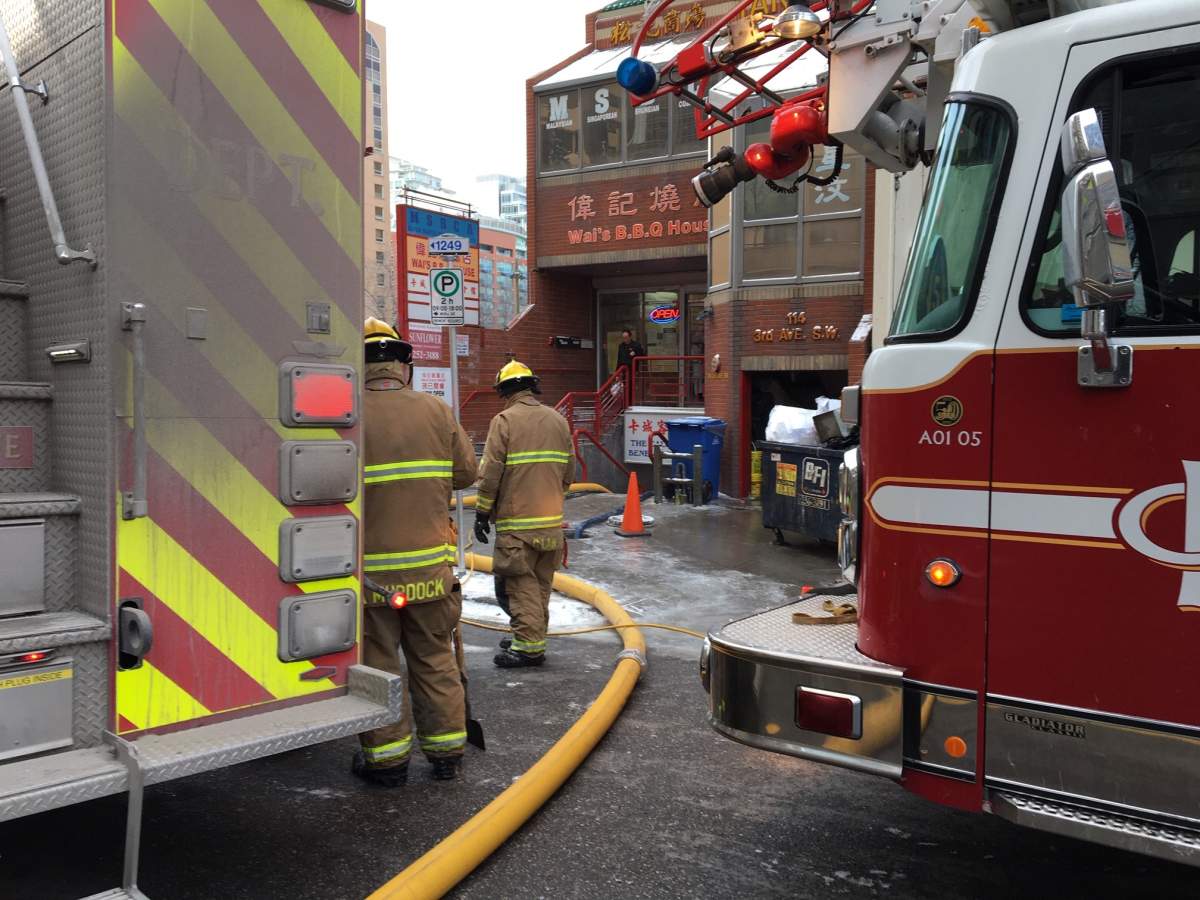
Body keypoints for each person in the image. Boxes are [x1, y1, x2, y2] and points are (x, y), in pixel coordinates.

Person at [355, 317, 478, 785]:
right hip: (431, 571)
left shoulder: (345, 413)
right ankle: (447, 755)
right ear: (403, 366)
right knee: (434, 658)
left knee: (378, 664)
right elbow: (466, 475)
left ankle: (387, 763)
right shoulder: (435, 410)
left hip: (370, 580)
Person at [473, 361, 574, 668]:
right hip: (551, 523)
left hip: (518, 526)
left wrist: (482, 512)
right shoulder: (558, 420)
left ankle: (529, 648)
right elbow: (568, 472)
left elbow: (490, 473)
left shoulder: (504, 421)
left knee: (520, 585)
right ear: (532, 386)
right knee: (540, 584)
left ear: (504, 390)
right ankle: (528, 634)